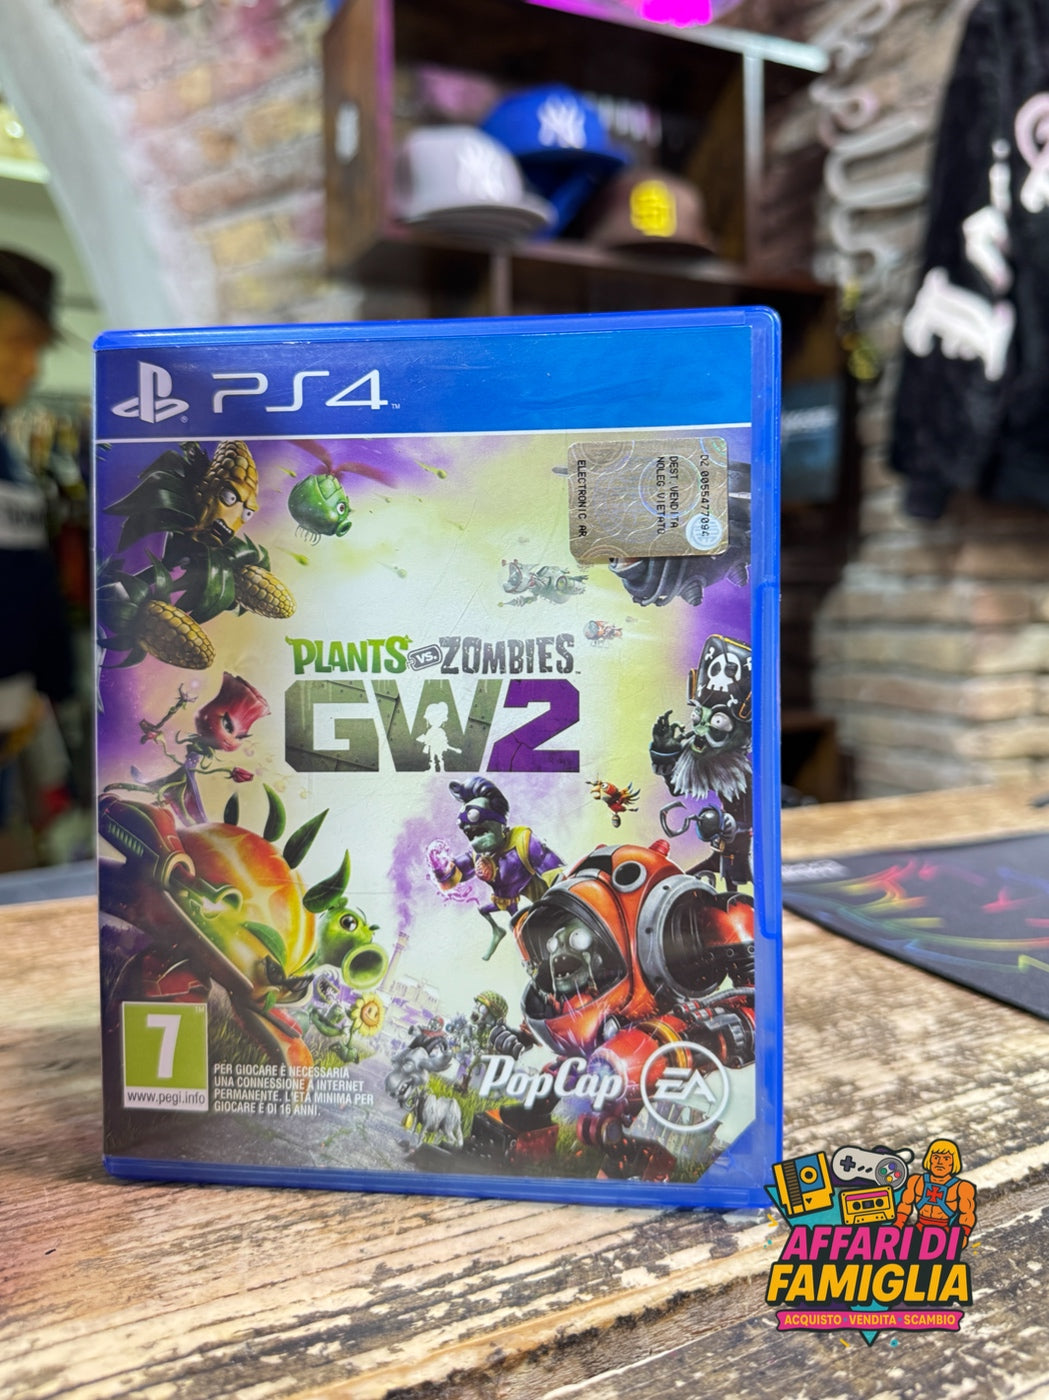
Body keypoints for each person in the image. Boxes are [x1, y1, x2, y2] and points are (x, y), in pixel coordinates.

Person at [0, 249, 75, 843]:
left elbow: (27, 578)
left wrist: (49, 685)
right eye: (17, 343)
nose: (32, 368)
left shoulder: (10, 456)